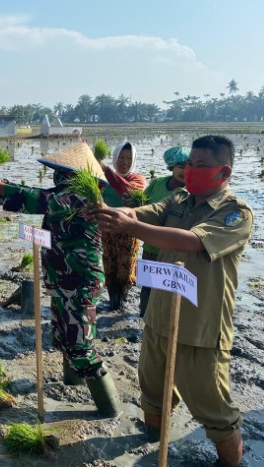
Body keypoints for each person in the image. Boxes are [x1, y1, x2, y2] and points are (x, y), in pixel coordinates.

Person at [89, 135, 253, 466]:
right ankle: (152, 442)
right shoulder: (178, 199)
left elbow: (192, 242)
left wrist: (131, 228)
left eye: (201, 166)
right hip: (159, 315)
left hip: (200, 330)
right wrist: (112, 213)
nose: (190, 171)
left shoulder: (235, 213)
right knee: (152, 391)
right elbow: (142, 213)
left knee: (214, 408)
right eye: (189, 164)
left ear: (224, 172)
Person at [0, 142, 120, 417]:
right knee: (64, 337)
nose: (59, 177)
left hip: (80, 282)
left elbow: (42, 200)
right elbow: (39, 196)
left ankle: (109, 410)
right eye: (59, 172)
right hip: (61, 280)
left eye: (63, 173)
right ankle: (74, 385)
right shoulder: (67, 193)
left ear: (78, 176)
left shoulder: (83, 197)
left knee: (81, 347)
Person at [138, 146, 189, 316]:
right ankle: (144, 318)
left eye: (189, 167)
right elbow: (143, 205)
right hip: (150, 248)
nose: (184, 171)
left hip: (171, 252)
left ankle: (160, 321)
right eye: (180, 166)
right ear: (172, 166)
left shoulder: (190, 193)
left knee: (166, 291)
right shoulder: (158, 183)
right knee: (147, 287)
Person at [100, 141, 146, 311]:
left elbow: (127, 192)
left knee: (126, 271)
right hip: (107, 230)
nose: (124, 162)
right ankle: (113, 303)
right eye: (121, 157)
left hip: (128, 232)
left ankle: (122, 302)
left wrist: (106, 170)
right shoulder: (102, 180)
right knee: (109, 267)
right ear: (115, 157)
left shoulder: (138, 180)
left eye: (128, 158)